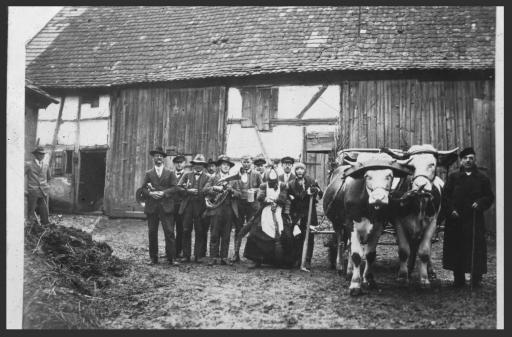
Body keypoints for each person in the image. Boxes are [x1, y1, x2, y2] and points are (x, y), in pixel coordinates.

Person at [442, 147, 494, 288]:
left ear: (474, 159)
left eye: (471, 158)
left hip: (474, 220)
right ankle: (458, 279)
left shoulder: (482, 178)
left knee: (475, 248)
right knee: (456, 248)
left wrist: (480, 203)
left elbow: (489, 196)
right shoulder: (453, 177)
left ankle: (476, 278)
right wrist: (451, 210)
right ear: (461, 160)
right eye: (465, 158)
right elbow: (445, 197)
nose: (468, 161)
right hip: (456, 220)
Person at [243, 167, 295, 269]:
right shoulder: (263, 186)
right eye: (270, 180)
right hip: (265, 211)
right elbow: (260, 197)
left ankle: (284, 261)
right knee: (254, 233)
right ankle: (256, 259)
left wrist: (276, 200)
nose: (272, 182)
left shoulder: (283, 185)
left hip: (279, 211)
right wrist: (266, 199)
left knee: (287, 234)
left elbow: (283, 198)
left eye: (274, 180)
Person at [140, 146, 181, 265]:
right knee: (152, 232)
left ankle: (171, 258)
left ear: (163, 159)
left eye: (161, 156)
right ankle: (153, 258)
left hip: (166, 206)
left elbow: (175, 188)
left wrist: (163, 193)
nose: (159, 158)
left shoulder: (170, 172)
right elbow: (143, 189)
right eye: (156, 156)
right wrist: (151, 193)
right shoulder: (148, 173)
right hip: (152, 207)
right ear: (153, 158)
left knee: (169, 231)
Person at [204, 155, 241, 265]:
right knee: (214, 233)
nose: (226, 166)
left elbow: (239, 194)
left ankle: (224, 257)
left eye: (228, 165)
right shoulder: (213, 177)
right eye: (224, 164)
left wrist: (231, 190)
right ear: (219, 166)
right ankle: (213, 257)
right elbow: (205, 190)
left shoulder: (234, 179)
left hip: (229, 209)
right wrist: (215, 188)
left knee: (226, 234)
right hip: (216, 209)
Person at [287, 162, 323, 270]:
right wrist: (305, 194)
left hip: (310, 214)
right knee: (297, 236)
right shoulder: (291, 184)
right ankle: (297, 259)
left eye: (301, 169)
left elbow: (321, 194)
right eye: (297, 169)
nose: (299, 171)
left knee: (310, 237)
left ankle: (307, 260)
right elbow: (293, 199)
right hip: (297, 214)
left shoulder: (311, 181)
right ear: (295, 171)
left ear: (304, 171)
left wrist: (316, 190)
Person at [177, 154, 210, 263]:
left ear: (204, 166)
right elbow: (178, 187)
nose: (198, 166)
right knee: (186, 230)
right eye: (196, 164)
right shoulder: (187, 175)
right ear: (193, 165)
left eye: (200, 165)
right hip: (188, 206)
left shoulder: (208, 177)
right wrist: (187, 191)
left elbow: (209, 192)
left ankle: (198, 255)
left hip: (201, 206)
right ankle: (186, 255)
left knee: (200, 230)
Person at [231, 155, 263, 262]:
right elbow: (233, 187)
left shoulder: (257, 174)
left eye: (248, 162)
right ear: (241, 162)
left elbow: (262, 188)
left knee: (253, 229)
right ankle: (236, 254)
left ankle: (251, 256)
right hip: (240, 204)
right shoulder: (237, 174)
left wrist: (255, 190)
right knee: (238, 228)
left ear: (251, 162)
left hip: (253, 205)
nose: (246, 164)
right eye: (244, 162)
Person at [25, 146, 51, 225]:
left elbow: (49, 177)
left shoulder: (46, 165)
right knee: (31, 209)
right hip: (33, 190)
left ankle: (45, 224)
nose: (42, 155)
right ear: (35, 154)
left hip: (43, 190)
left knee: (44, 209)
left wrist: (46, 186)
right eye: (40, 154)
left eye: (43, 154)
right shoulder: (29, 164)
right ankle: (31, 225)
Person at [172, 154, 187, 258]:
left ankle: (178, 251)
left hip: (182, 206)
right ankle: (170, 250)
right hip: (171, 206)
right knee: (169, 229)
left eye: (181, 162)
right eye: (177, 162)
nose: (179, 164)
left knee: (180, 229)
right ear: (174, 164)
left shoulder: (187, 176)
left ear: (184, 164)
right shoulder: (170, 174)